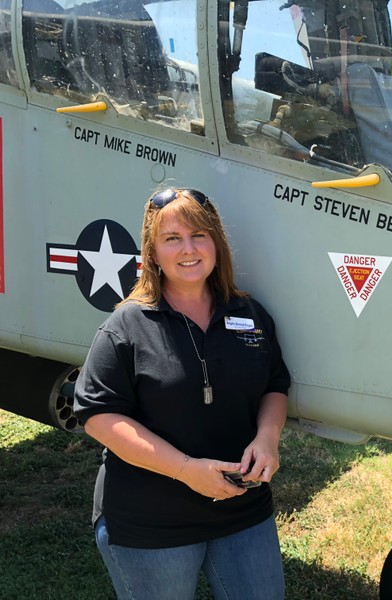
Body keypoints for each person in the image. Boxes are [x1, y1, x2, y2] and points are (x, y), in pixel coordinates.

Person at [74, 188, 290, 600]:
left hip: (242, 510)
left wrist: (267, 438)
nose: (188, 249)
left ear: (216, 244)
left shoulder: (249, 314)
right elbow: (98, 416)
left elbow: (275, 385)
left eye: (199, 235)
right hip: (151, 524)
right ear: (153, 252)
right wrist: (184, 468)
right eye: (173, 238)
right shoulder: (126, 327)